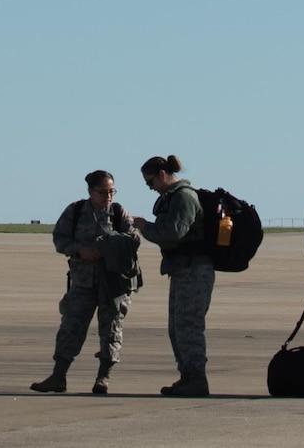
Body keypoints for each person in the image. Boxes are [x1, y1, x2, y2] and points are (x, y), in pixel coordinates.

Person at [32, 170, 141, 395]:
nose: (108, 196)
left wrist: (110, 247)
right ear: (90, 191)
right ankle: (58, 375)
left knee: (111, 330)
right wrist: (81, 251)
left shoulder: (119, 213)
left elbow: (133, 241)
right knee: (70, 328)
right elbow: (59, 239)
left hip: (113, 285)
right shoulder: (75, 212)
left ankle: (103, 377)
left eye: (111, 191)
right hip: (83, 283)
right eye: (103, 192)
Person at [136, 154, 211, 397]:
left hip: (194, 270)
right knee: (177, 327)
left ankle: (196, 379)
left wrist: (145, 226)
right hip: (182, 269)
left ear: (162, 175)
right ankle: (188, 376)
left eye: (151, 182)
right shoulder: (174, 198)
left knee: (188, 326)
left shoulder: (184, 197)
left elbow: (174, 232)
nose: (151, 188)